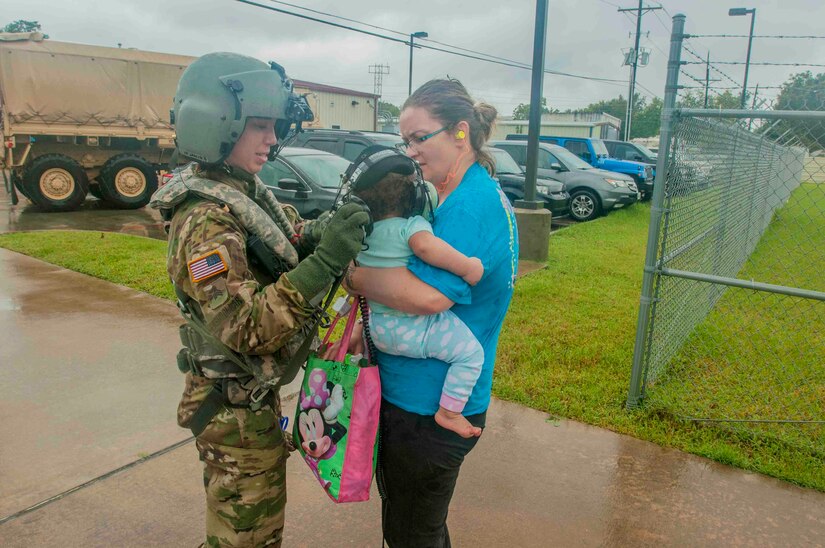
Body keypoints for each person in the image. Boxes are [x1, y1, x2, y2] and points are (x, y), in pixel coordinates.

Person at [150, 52, 369, 547]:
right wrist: (326, 261)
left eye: (275, 126)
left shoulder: (239, 190)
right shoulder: (205, 221)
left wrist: (323, 232)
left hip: (249, 406)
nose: (273, 139)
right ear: (218, 126)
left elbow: (287, 237)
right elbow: (245, 327)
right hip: (232, 416)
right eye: (261, 126)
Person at [342, 79, 519, 547]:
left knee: (412, 533)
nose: (411, 150)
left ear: (461, 132)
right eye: (405, 140)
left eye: (421, 137)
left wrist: (350, 278)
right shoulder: (448, 196)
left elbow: (426, 298)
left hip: (427, 408)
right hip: (415, 397)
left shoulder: (469, 205)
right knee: (411, 524)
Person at [347, 148, 486, 437]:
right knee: (471, 355)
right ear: (419, 198)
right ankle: (449, 411)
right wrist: (468, 267)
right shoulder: (412, 225)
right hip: (416, 329)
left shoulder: (364, 233)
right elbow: (426, 247)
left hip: (380, 330)